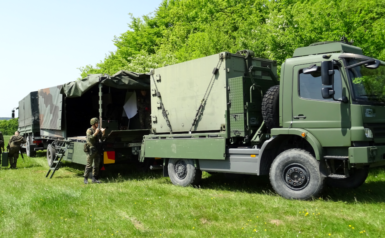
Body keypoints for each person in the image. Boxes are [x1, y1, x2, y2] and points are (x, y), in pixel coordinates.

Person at [84, 117, 106, 184]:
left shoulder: (97, 130)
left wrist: (103, 133)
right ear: (93, 124)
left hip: (97, 149)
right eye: (96, 123)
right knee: (89, 165)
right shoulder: (89, 130)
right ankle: (85, 179)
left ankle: (95, 178)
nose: (97, 124)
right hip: (91, 150)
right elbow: (89, 138)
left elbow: (101, 139)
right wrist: (95, 133)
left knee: (96, 165)